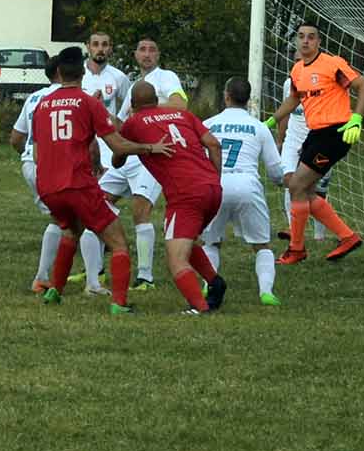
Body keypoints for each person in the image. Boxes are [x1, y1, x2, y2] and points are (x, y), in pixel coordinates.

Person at [33, 48, 149, 313]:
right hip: (76, 184)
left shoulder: (42, 105)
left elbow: (38, 154)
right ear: (82, 73)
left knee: (71, 231)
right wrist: (148, 148)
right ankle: (119, 304)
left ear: (59, 72)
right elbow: (117, 144)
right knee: (118, 242)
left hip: (48, 187)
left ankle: (54, 291)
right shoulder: (88, 102)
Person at [114, 81, 227, 314]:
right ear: (157, 101)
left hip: (185, 194)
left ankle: (199, 307)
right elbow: (214, 145)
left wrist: (137, 145)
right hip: (212, 189)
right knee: (187, 240)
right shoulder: (182, 115)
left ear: (132, 105)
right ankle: (215, 283)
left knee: (176, 258)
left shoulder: (134, 122)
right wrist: (214, 178)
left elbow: (118, 157)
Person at [267, 22, 364, 264]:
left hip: (335, 133)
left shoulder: (332, 64)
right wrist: (272, 121)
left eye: (311, 37)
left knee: (296, 185)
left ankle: (297, 248)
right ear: (297, 40)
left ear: (319, 41)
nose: (306, 41)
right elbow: (294, 99)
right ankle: (347, 238)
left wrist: (356, 119)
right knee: (305, 190)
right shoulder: (297, 70)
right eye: (301, 36)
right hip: (315, 134)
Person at [12, 50, 105, 296]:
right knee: (87, 219)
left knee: (60, 220)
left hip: (33, 164)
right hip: (63, 166)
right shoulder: (77, 96)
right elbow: (88, 138)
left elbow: (16, 138)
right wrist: (96, 164)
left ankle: (42, 278)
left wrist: (29, 155)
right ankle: (93, 282)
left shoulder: (35, 98)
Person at [109, 36, 191, 291]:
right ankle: (96, 271)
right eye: (142, 50)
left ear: (158, 55)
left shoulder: (166, 77)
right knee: (97, 204)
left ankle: (145, 277)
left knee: (140, 209)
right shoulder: (135, 85)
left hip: (154, 155)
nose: (147, 54)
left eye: (152, 50)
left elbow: (180, 104)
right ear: (135, 55)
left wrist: (148, 110)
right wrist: (100, 114)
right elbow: (122, 122)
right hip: (131, 152)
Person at [203, 78, 288, 306]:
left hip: (216, 185)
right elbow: (275, 171)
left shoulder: (207, 124)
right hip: (247, 185)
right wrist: (284, 181)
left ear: (226, 96)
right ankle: (266, 292)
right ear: (248, 100)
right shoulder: (259, 127)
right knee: (261, 245)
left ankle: (208, 284)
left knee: (211, 242)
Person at [73, 31, 134, 287]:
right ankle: (92, 265)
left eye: (105, 45)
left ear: (110, 49)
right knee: (84, 206)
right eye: (96, 44)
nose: (100, 49)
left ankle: (95, 268)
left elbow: (125, 112)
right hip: (80, 145)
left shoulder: (119, 78)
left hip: (107, 148)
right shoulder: (78, 75)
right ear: (87, 47)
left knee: (98, 205)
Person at [277, 74, 334, 249]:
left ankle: (319, 235)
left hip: (320, 141)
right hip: (292, 141)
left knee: (317, 188)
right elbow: (286, 112)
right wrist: (280, 139)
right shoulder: (290, 83)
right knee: (290, 181)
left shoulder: (329, 82)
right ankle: (293, 230)